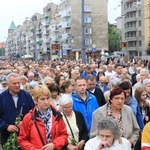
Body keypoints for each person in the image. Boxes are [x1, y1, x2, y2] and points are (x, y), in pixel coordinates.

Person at [18, 85, 68, 150]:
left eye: (47, 98)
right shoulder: (28, 118)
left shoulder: (57, 115)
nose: (46, 102)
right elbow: (22, 140)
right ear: (36, 100)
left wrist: (54, 145)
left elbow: (64, 135)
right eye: (42, 99)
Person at [0, 73, 35, 146]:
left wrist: (25, 122)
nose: (17, 85)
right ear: (8, 84)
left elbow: (33, 112)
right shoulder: (2, 97)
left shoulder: (26, 95)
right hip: (7, 135)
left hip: (26, 134)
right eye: (14, 83)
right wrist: (6, 126)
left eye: (18, 83)